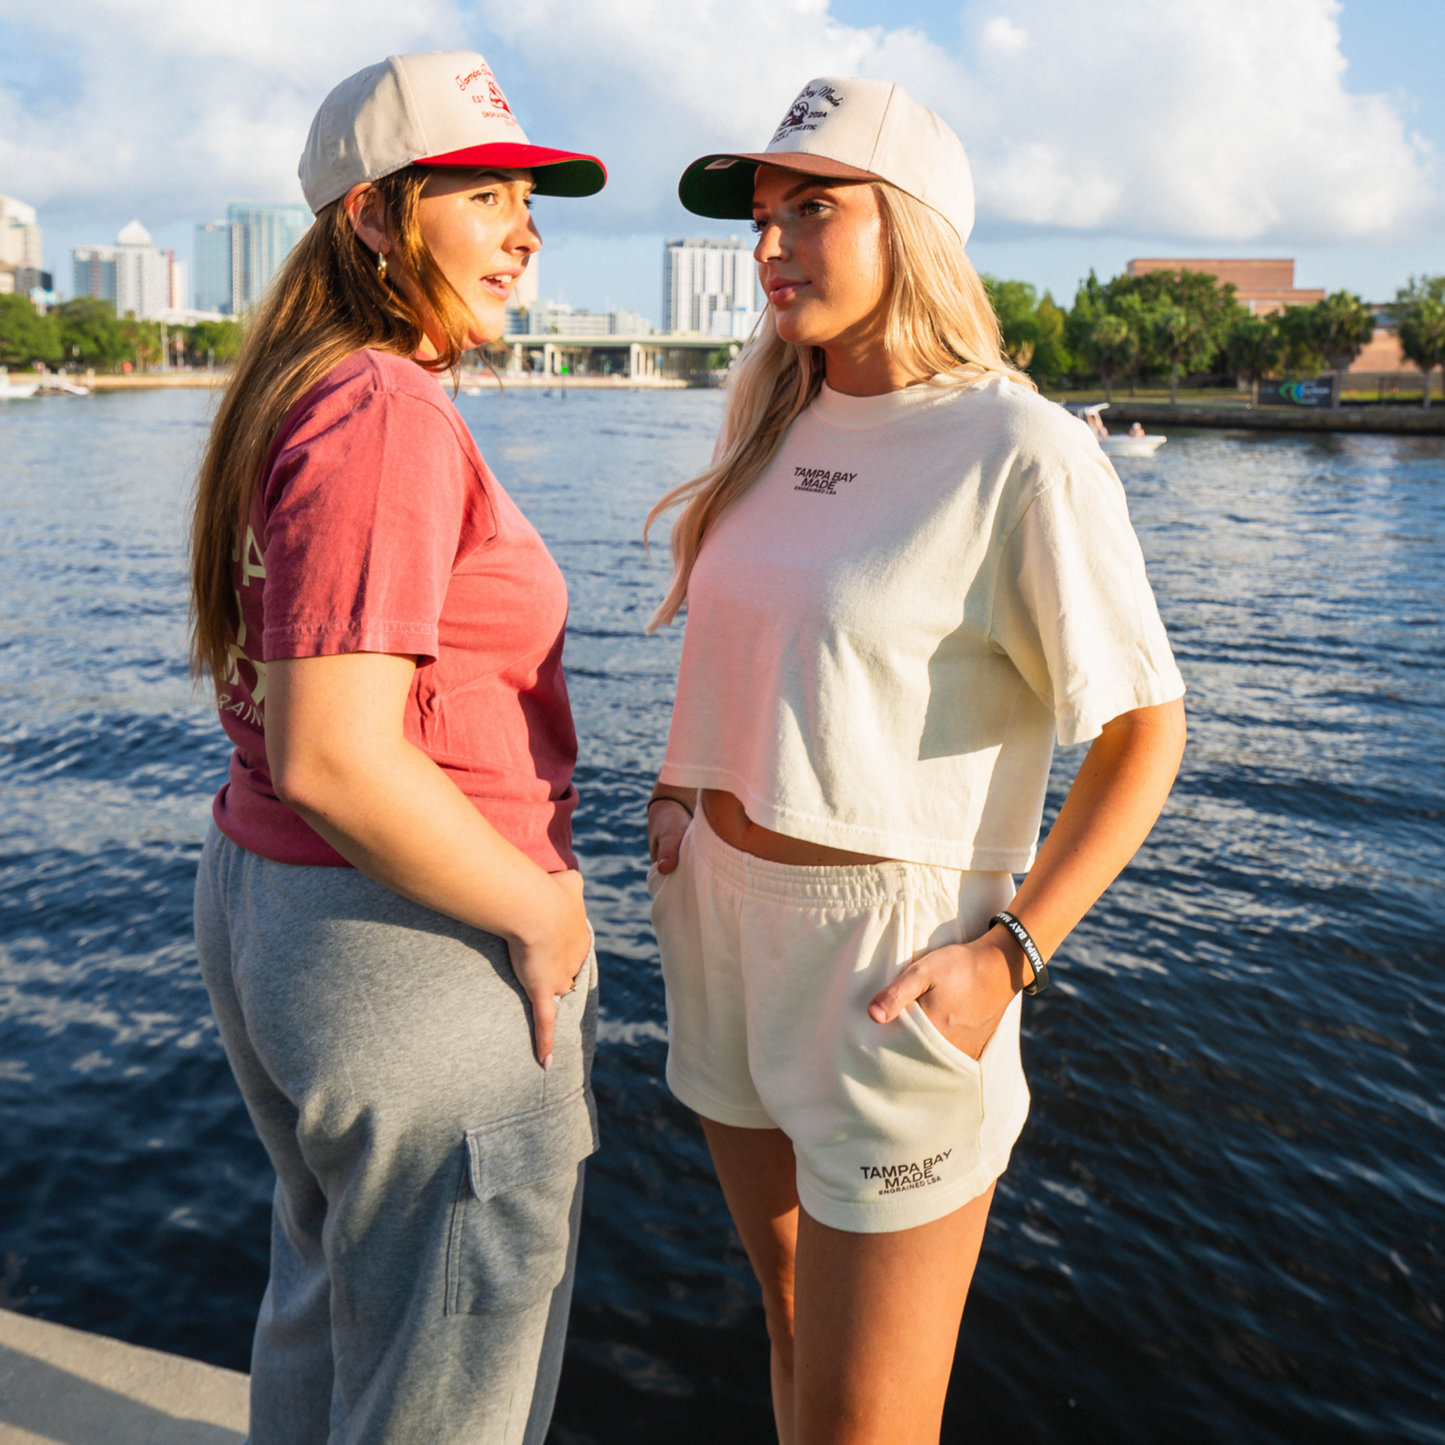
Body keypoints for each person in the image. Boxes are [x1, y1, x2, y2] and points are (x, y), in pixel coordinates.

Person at [645, 77, 1186, 1444]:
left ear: (912, 227)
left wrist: (1011, 952)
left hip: (889, 965)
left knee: (864, 1425)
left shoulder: (1023, 451)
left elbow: (1144, 729)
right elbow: (762, 642)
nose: (768, 244)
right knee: (780, 1320)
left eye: (809, 210)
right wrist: (680, 788)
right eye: (762, 216)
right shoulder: (768, 418)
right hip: (718, 927)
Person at [189, 52, 606, 1445]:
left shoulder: (304, 390)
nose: (526, 232)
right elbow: (340, 756)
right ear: (373, 218)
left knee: (327, 1313)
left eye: (528, 204)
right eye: (483, 198)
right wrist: (539, 914)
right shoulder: (382, 409)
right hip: (413, 946)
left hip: (282, 911)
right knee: (452, 1384)